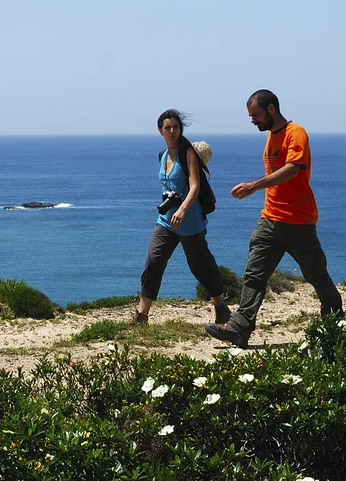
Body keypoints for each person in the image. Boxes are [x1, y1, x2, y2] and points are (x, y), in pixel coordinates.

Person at [205, 90, 343, 347]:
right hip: (270, 218)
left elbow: (292, 169)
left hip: (299, 220)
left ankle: (335, 318)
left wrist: (254, 186)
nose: (252, 120)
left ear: (271, 109)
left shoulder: (295, 133)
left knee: (316, 275)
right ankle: (239, 327)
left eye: (255, 115)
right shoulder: (270, 136)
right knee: (254, 274)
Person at [136, 109, 230, 325]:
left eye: (175, 127)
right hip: (166, 221)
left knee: (200, 265)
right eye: (167, 127)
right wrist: (172, 209)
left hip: (190, 221)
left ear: (180, 129)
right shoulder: (162, 156)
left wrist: (182, 209)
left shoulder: (187, 153)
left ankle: (220, 306)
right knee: (154, 261)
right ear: (160, 130)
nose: (172, 131)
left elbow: (194, 186)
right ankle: (142, 315)